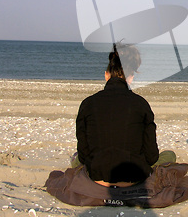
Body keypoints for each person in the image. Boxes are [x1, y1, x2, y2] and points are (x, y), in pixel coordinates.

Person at [74, 43, 175, 187]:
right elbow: (152, 157)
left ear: (106, 74)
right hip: (134, 178)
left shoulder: (87, 104)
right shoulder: (141, 105)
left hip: (97, 177)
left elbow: (84, 155)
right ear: (131, 77)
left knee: (76, 158)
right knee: (170, 155)